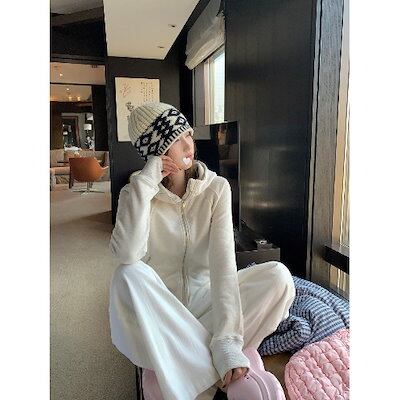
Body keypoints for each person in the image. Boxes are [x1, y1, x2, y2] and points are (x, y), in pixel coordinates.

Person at [108, 102, 295, 400]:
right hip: (164, 311)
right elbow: (127, 254)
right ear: (157, 152)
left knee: (279, 277)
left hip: (205, 301)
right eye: (176, 139)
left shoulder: (217, 188)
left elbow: (223, 265)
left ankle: (181, 368)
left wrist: (227, 342)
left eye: (189, 135)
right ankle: (218, 373)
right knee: (127, 274)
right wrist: (144, 186)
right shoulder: (135, 193)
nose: (188, 145)